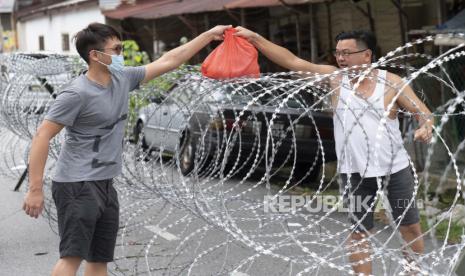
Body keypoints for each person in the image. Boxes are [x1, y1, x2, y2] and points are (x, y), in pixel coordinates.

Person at [22, 22, 231, 276]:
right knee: (72, 257)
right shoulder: (76, 94)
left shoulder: (122, 79)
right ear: (95, 55)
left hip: (105, 184)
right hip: (76, 184)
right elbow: (42, 136)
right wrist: (35, 189)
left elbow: (169, 61)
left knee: (98, 260)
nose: (121, 54)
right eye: (116, 49)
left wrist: (208, 35)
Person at [235, 27, 433, 274]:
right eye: (338, 53)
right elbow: (293, 61)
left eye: (347, 53)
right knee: (360, 232)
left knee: (410, 228)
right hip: (355, 173)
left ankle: (413, 272)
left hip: (396, 169)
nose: (340, 58)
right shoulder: (335, 79)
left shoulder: (392, 83)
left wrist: (426, 127)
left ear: (367, 55)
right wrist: (254, 38)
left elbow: (423, 113)